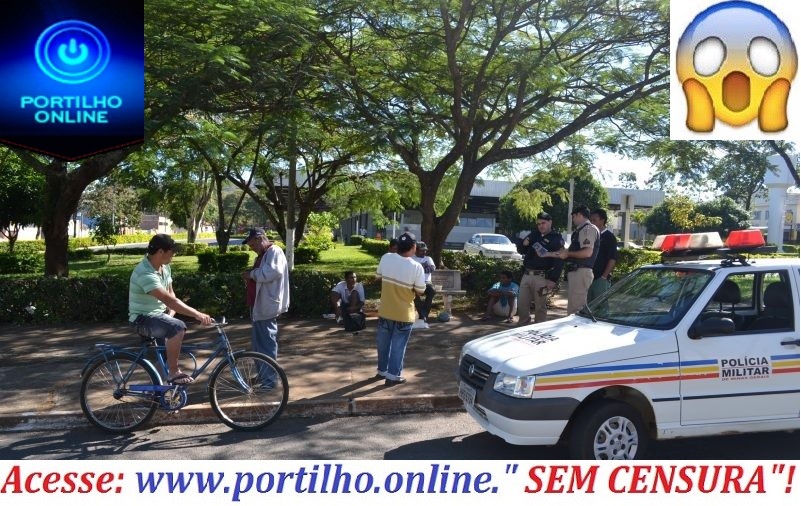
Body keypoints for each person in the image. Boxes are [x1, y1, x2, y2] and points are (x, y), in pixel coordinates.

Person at [129, 234, 213, 385]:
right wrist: (198, 315)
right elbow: (170, 300)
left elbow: (170, 293)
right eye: (172, 252)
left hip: (158, 316)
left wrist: (171, 313)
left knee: (164, 359)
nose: (174, 255)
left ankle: (159, 398)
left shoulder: (164, 267)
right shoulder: (145, 273)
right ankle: (174, 372)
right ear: (161, 252)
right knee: (178, 327)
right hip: (142, 319)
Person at [375, 232, 426, 385]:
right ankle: (392, 376)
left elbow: (378, 277)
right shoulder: (417, 267)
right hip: (404, 314)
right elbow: (421, 290)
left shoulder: (386, 258)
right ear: (413, 247)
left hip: (386, 310)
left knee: (383, 344)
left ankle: (381, 371)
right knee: (398, 346)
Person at [241, 228, 290, 385]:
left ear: (259, 239)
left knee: (266, 345)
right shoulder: (265, 254)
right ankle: (264, 376)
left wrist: (251, 274)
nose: (252, 248)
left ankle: (269, 380)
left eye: (252, 245)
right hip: (259, 306)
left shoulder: (274, 251)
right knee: (258, 345)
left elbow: (272, 272)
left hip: (267, 306)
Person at [516, 212, 565, 325]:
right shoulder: (534, 234)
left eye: (543, 223)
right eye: (538, 224)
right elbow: (522, 250)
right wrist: (524, 243)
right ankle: (522, 328)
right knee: (522, 305)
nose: (541, 226)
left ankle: (539, 329)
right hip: (527, 275)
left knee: (540, 307)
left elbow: (560, 259)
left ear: (550, 222)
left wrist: (553, 279)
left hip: (542, 277)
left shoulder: (556, 238)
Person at [554, 205, 600, 314]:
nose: (573, 219)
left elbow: (587, 252)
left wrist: (568, 253)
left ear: (579, 215)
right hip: (577, 272)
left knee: (576, 310)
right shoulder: (580, 231)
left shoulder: (587, 229)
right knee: (575, 308)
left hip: (581, 272)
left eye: (573, 216)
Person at [587, 208, 618, 303]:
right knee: (586, 307)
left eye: (594, 220)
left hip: (600, 279)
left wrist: (604, 277)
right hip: (587, 276)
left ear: (602, 220)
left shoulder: (609, 237)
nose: (591, 223)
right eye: (590, 220)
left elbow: (612, 258)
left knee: (600, 306)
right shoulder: (589, 235)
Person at [412, 241, 436, 329]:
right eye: (422, 250)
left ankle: (423, 314)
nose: (424, 252)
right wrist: (424, 267)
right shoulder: (412, 258)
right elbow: (412, 271)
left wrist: (419, 268)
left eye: (425, 250)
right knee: (414, 294)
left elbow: (431, 269)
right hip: (414, 283)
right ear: (416, 250)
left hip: (426, 282)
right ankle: (423, 315)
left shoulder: (428, 258)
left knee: (432, 291)